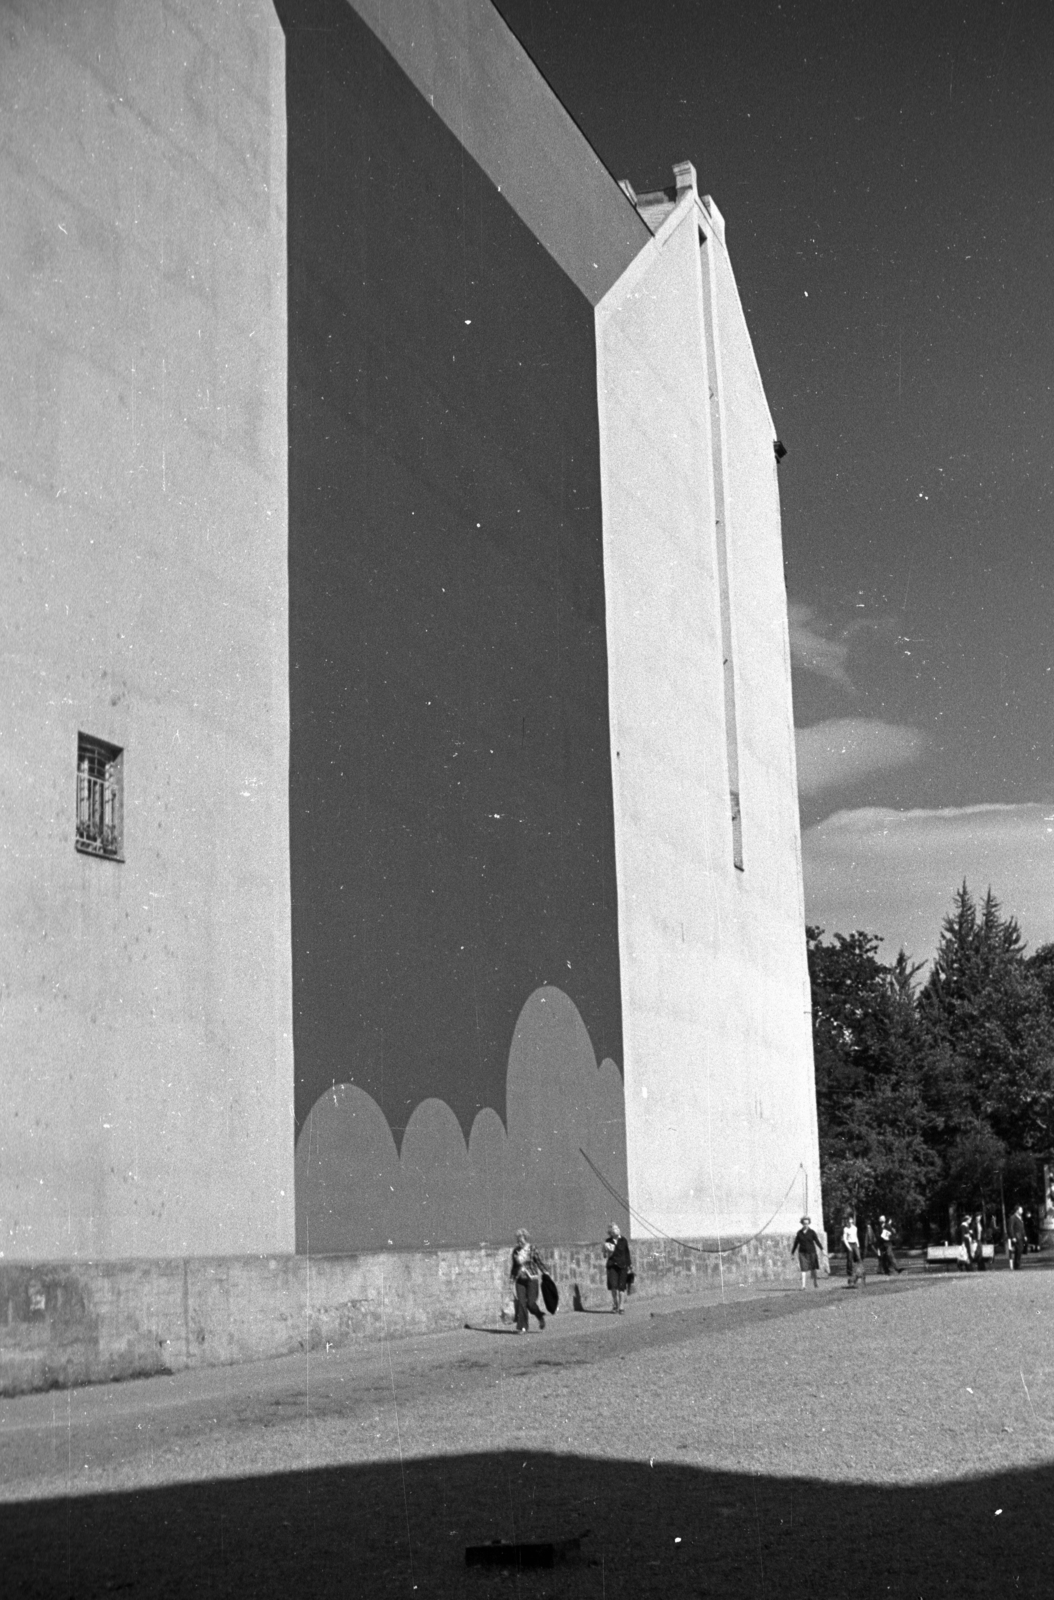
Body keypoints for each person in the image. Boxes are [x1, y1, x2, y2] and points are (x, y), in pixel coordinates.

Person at [510, 1228, 547, 1332]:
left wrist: (545, 1272)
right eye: (517, 1239)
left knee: (530, 1303)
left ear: (525, 1238)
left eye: (520, 1239)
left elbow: (539, 1262)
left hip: (532, 1279)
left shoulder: (532, 1249)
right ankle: (522, 1327)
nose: (519, 1241)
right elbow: (514, 1266)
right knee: (522, 1303)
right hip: (519, 1280)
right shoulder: (516, 1251)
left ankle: (540, 1316)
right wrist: (511, 1279)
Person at [602, 1223, 632, 1313]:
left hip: (622, 1266)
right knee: (613, 1287)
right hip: (612, 1266)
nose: (617, 1230)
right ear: (611, 1232)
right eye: (615, 1228)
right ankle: (615, 1304)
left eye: (618, 1228)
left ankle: (621, 1307)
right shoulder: (608, 1241)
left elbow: (627, 1253)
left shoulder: (623, 1240)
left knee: (621, 1287)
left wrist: (629, 1265)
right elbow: (604, 1255)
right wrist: (605, 1250)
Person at [791, 1215, 823, 1287]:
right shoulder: (799, 1233)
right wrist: (792, 1253)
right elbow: (796, 1243)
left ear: (809, 1223)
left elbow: (817, 1241)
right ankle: (803, 1285)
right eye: (804, 1223)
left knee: (813, 1268)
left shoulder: (812, 1232)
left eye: (807, 1223)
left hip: (812, 1252)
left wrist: (822, 1249)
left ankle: (815, 1282)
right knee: (803, 1269)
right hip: (802, 1253)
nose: (806, 1225)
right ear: (802, 1223)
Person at [842, 1212, 863, 1287]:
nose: (850, 1223)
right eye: (849, 1222)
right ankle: (849, 1272)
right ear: (847, 1222)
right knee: (849, 1259)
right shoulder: (845, 1229)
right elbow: (844, 1239)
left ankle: (859, 1271)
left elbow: (856, 1236)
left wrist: (858, 1244)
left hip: (854, 1243)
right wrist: (848, 1247)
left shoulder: (855, 1228)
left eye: (851, 1222)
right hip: (849, 1243)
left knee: (858, 1257)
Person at [1009, 1205, 1026, 1271]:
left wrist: (1024, 1235)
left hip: (1021, 1236)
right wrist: (1012, 1236)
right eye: (1021, 1209)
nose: (1022, 1211)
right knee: (1019, 1249)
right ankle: (1017, 1264)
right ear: (1017, 1210)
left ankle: (1017, 1264)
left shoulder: (1020, 1217)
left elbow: (1022, 1228)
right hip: (1016, 1236)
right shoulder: (1013, 1218)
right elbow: (1011, 1228)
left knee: (1020, 1249)